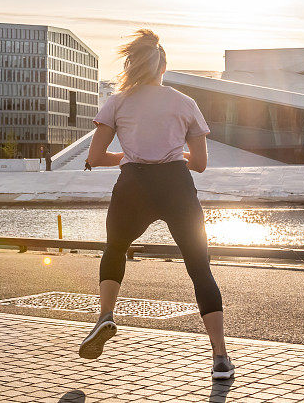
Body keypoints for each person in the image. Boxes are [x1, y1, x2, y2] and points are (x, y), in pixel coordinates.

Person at [78, 29, 233, 380]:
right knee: (198, 265)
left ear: (134, 65)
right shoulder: (184, 102)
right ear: (163, 66)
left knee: (115, 248)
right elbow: (201, 164)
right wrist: (173, 150)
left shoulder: (117, 102)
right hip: (176, 184)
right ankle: (220, 358)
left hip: (133, 183)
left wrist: (132, 154)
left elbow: (95, 156)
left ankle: (105, 317)